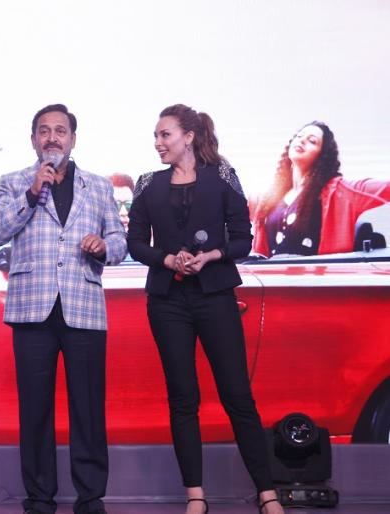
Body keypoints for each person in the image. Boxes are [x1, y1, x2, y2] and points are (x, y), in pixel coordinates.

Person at [127, 104, 284, 514]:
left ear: (189, 137)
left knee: (237, 396)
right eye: (156, 136)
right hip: (168, 301)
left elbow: (243, 239)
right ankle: (195, 495)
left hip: (215, 296)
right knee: (183, 398)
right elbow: (136, 243)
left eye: (165, 134)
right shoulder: (147, 184)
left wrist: (212, 255)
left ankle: (267, 493)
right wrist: (167, 259)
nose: (158, 143)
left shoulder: (222, 177)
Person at [0, 104, 127, 514]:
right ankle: (39, 498)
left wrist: (104, 247)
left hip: (83, 307)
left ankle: (91, 498)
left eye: (60, 131)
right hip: (32, 309)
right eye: (44, 131)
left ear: (72, 139)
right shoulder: (14, 183)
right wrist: (31, 194)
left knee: (88, 408)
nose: (52, 138)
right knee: (35, 409)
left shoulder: (98, 187)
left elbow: (120, 242)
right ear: (33, 140)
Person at [251, 121, 390, 256]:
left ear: (323, 155)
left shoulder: (340, 192)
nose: (302, 140)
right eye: (299, 136)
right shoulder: (268, 198)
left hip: (319, 272)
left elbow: (386, 187)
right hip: (272, 272)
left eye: (312, 141)